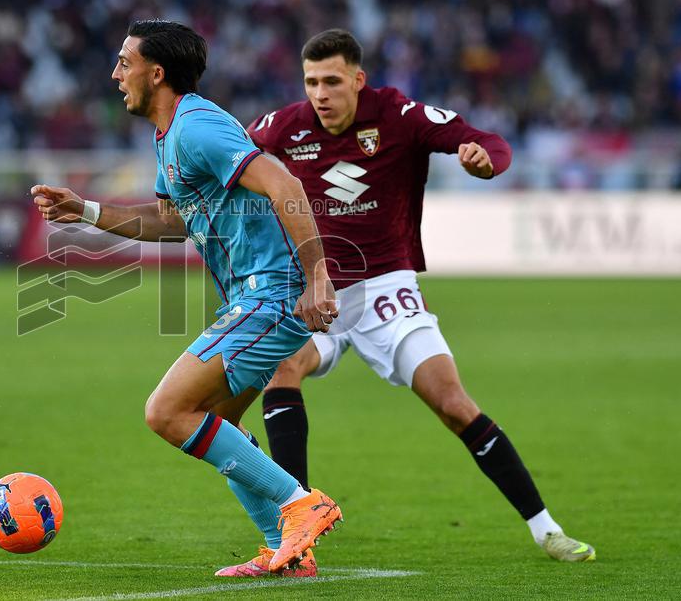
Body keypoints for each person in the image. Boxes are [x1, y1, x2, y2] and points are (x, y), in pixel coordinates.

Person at [248, 29, 595, 564]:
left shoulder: (399, 116)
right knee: (282, 367)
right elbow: (230, 162)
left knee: (453, 404)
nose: (321, 93)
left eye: (333, 81)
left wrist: (486, 161)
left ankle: (546, 529)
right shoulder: (283, 127)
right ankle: (300, 529)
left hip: (388, 290)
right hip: (318, 290)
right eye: (312, 82)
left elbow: (487, 141)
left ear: (358, 81)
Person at [30, 19, 342, 576]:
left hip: (274, 295)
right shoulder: (168, 135)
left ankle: (301, 504)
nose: (114, 73)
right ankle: (287, 552)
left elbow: (284, 185)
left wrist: (318, 279)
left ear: (157, 72)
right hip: (252, 298)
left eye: (124, 63)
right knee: (220, 426)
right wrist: (86, 211)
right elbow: (171, 222)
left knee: (167, 411)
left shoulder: (197, 126)